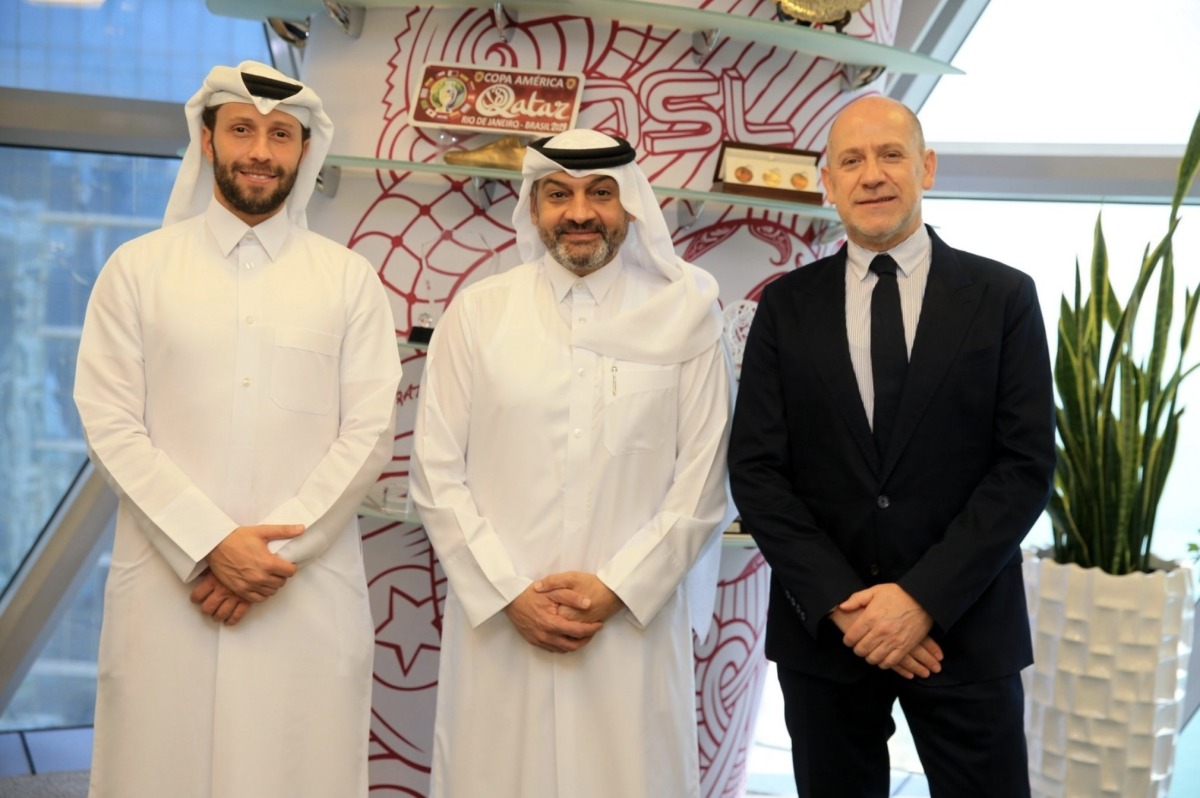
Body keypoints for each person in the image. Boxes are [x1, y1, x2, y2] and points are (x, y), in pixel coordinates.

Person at [74, 61, 403, 798]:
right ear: (208, 138)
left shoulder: (349, 280)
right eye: (244, 130)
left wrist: (268, 556)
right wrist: (212, 546)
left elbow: (369, 432)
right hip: (172, 588)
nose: (261, 150)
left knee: (295, 771)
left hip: (300, 591)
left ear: (303, 151)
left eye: (281, 135)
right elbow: (110, 422)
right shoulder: (136, 271)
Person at [727, 95, 1056, 797]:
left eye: (890, 154)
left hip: (965, 630)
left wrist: (920, 601)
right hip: (828, 637)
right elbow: (757, 471)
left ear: (925, 167)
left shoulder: (1004, 297)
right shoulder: (784, 305)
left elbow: (1024, 468)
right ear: (828, 181)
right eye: (851, 159)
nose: (871, 174)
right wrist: (849, 604)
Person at [410, 128, 735, 798]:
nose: (579, 212)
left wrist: (617, 588)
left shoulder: (687, 314)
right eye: (558, 193)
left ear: (632, 206)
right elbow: (436, 477)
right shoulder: (478, 314)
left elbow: (703, 483)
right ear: (534, 207)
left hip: (627, 632)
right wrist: (509, 593)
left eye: (601, 194)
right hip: (502, 625)